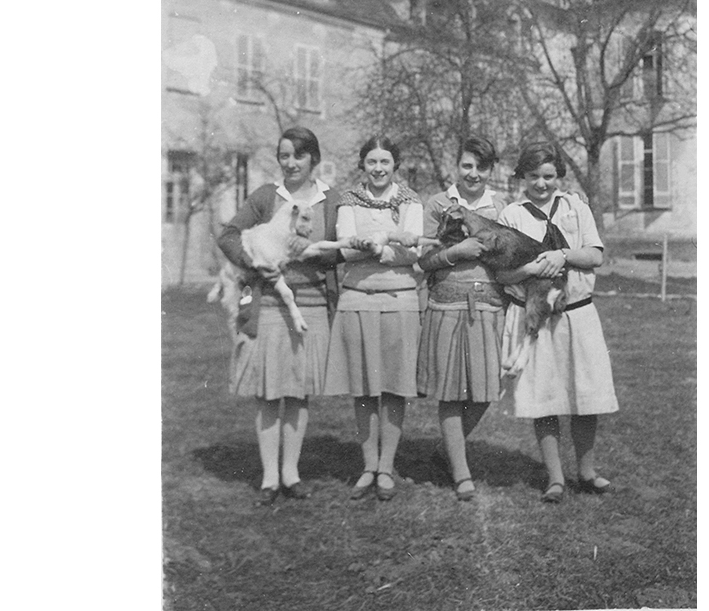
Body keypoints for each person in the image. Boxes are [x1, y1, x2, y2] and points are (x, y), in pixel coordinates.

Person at [217, 127, 342, 506]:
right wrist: (253, 263)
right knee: (269, 392)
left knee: (299, 391)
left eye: (298, 157)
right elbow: (229, 236)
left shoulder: (331, 201)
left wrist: (321, 254)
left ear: (313, 160)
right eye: (284, 156)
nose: (290, 163)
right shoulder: (266, 197)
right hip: (269, 302)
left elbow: (339, 251)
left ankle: (292, 473)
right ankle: (270, 477)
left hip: (312, 304)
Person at [495, 142, 620, 503]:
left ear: (559, 177)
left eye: (548, 176)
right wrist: (534, 268)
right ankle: (554, 478)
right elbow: (503, 275)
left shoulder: (575, 207)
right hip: (537, 317)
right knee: (544, 397)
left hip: (577, 312)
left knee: (585, 393)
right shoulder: (512, 215)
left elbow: (595, 256)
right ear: (522, 177)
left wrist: (563, 254)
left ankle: (587, 471)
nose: (541, 184)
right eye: (533, 176)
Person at [324, 136, 423, 502]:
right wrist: (387, 245)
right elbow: (345, 248)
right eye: (371, 162)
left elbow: (411, 252)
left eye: (384, 162)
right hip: (356, 299)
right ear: (362, 165)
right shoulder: (349, 201)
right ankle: (368, 466)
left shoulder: (411, 201)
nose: (378, 169)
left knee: (394, 386)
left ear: (394, 165)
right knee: (364, 387)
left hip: (400, 300)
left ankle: (386, 466)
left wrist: (374, 247)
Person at [415, 136, 510, 502]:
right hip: (447, 303)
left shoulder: (501, 206)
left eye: (481, 168)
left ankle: (446, 450)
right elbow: (423, 260)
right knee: (452, 393)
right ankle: (461, 471)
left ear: (491, 170)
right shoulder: (439, 203)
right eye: (467, 166)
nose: (473, 174)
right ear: (457, 166)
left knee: (486, 391)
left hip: (489, 305)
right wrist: (456, 251)